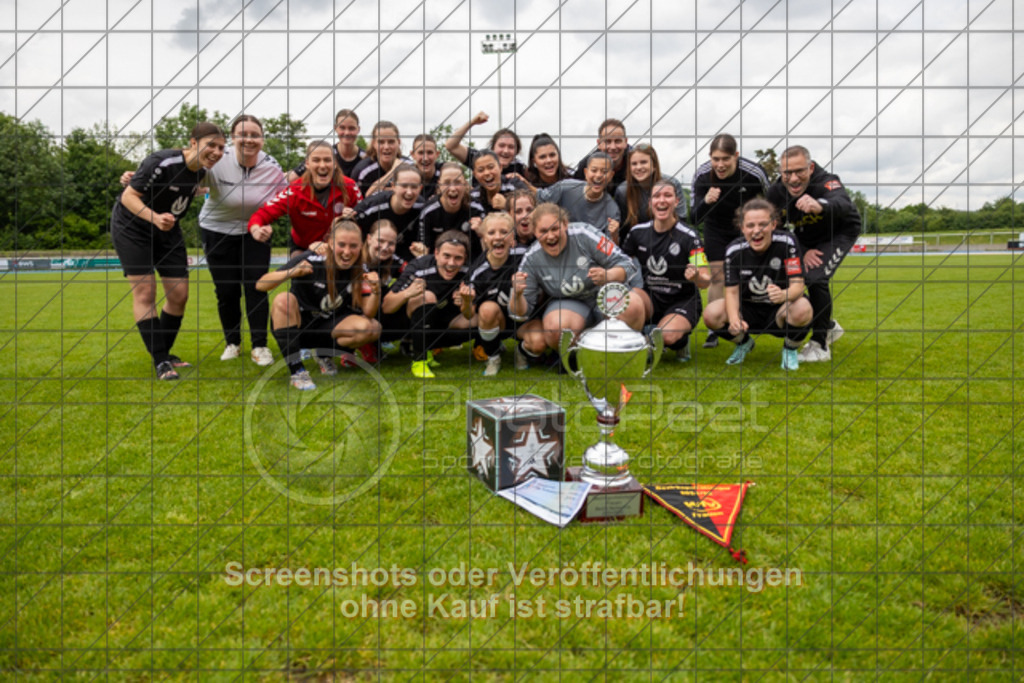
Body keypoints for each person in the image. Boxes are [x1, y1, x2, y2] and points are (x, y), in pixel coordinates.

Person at [110, 121, 226, 380]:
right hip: (133, 228)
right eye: (212, 145)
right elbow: (128, 196)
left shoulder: (202, 171)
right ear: (193, 143)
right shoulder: (162, 161)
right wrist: (154, 217)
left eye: (221, 147)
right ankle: (162, 361)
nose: (217, 152)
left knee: (179, 295)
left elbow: (189, 190)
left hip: (167, 229)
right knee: (145, 292)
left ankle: (163, 353)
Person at [195, 115, 287, 366]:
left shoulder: (272, 166)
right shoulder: (216, 161)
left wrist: (268, 223)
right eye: (243, 134)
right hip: (216, 231)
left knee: (256, 288)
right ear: (233, 138)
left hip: (254, 232)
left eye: (255, 134)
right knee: (227, 291)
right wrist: (137, 177)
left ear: (262, 139)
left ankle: (260, 346)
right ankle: (232, 343)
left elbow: (286, 199)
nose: (249, 139)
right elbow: (186, 177)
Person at [509, 203, 645, 364]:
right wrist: (517, 295)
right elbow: (519, 315)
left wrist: (608, 275)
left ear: (565, 224)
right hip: (570, 304)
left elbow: (628, 265)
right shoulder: (532, 258)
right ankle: (585, 356)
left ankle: (627, 352)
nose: (550, 236)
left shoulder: (585, 233)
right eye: (543, 231)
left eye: (555, 229)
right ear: (534, 232)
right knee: (555, 330)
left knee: (633, 306)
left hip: (603, 293)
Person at [256, 220, 381, 390]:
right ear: (330, 242)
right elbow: (261, 285)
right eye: (341, 245)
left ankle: (324, 354)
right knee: (282, 299)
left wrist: (376, 290)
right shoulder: (311, 259)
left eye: (353, 246)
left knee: (372, 328)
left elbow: (369, 313)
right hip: (298, 327)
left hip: (327, 327)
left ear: (361, 246)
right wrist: (292, 272)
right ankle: (297, 370)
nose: (347, 252)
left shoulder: (361, 269)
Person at [765, 145, 861, 362]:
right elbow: (776, 227)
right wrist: (804, 251)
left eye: (800, 171)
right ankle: (827, 325)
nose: (793, 178)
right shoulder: (776, 192)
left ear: (811, 167)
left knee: (816, 277)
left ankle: (820, 344)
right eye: (787, 173)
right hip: (805, 237)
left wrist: (820, 205)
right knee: (786, 275)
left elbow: (843, 202)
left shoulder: (826, 180)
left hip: (838, 232)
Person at [702, 198, 812, 370]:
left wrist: (783, 295)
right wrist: (733, 319)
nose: (757, 231)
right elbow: (731, 292)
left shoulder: (787, 243)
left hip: (779, 310)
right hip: (748, 310)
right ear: (742, 227)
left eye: (763, 224)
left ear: (774, 224)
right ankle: (744, 343)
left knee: (803, 308)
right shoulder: (733, 250)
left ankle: (790, 349)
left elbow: (798, 285)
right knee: (711, 313)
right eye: (750, 225)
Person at [690, 133, 769, 349]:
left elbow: (774, 203)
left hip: (744, 229)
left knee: (744, 275)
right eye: (716, 159)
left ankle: (744, 318)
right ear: (710, 157)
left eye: (726, 159)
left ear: (736, 155)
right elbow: (694, 217)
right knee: (718, 277)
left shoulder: (753, 174)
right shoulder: (703, 176)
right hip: (715, 229)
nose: (720, 164)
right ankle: (715, 329)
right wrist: (706, 201)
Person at [621, 181, 710, 361]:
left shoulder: (689, 237)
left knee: (668, 336)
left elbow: (706, 280)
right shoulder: (637, 233)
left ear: (676, 201)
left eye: (667, 196)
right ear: (650, 202)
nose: (662, 200)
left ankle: (678, 341)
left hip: (682, 300)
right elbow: (621, 264)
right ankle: (642, 338)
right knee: (626, 300)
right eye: (656, 196)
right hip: (650, 299)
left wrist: (696, 276)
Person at [382, 230, 474, 378]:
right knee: (427, 297)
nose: (451, 263)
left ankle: (486, 351)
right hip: (402, 322)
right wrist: (409, 293)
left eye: (458, 258)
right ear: (436, 253)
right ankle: (419, 360)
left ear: (465, 258)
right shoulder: (419, 267)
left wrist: (466, 301)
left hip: (440, 320)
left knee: (479, 317)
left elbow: (469, 314)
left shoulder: (469, 272)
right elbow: (387, 306)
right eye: (446, 256)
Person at [247, 139, 361, 256]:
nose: (322, 165)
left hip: (339, 249)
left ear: (335, 164)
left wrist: (354, 218)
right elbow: (263, 213)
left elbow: (366, 217)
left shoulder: (350, 187)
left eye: (327, 160)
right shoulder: (294, 191)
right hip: (303, 248)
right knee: (298, 264)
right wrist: (256, 229)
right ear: (307, 164)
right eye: (316, 160)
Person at [465, 213, 521, 376]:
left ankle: (523, 352)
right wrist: (465, 301)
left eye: (504, 232)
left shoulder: (525, 257)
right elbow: (469, 315)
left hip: (525, 318)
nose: (498, 237)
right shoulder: (477, 271)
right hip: (499, 320)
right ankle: (493, 357)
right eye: (491, 233)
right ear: (483, 238)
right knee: (487, 310)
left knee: (536, 343)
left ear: (512, 237)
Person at [614, 143, 687, 241]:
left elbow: (681, 219)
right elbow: (623, 230)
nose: (639, 167)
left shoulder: (672, 184)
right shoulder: (622, 191)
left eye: (644, 162)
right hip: (638, 243)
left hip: (669, 239)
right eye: (634, 164)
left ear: (654, 165)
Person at [353, 163, 425, 261]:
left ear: (420, 188)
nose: (409, 192)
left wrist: (422, 247)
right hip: (369, 258)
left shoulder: (422, 208)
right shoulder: (372, 206)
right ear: (393, 186)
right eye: (404, 186)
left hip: (402, 260)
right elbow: (344, 225)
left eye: (414, 187)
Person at [537, 152, 620, 238]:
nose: (598, 175)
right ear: (586, 173)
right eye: (594, 170)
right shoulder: (565, 187)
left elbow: (611, 249)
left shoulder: (612, 210)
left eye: (604, 172)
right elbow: (538, 197)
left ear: (611, 176)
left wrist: (614, 235)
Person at [416, 162, 485, 255]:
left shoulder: (476, 209)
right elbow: (424, 251)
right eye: (447, 183)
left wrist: (482, 234)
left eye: (457, 182)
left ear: (465, 184)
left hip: (469, 263)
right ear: (439, 185)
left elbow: (486, 251)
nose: (452, 188)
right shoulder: (428, 212)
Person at [287, 108, 367, 181]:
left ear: (358, 129)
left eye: (351, 128)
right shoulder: (325, 154)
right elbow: (291, 177)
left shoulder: (367, 158)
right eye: (342, 128)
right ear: (335, 128)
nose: (347, 133)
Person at [444, 111, 526, 180]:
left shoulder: (522, 169)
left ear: (516, 151)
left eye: (511, 147)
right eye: (501, 146)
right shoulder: (480, 159)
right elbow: (451, 146)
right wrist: (472, 122)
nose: (505, 151)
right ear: (492, 148)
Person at [572, 118, 631, 193]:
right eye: (607, 142)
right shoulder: (586, 164)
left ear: (625, 142)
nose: (613, 147)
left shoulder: (635, 163)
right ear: (599, 143)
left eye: (618, 141)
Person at [351, 121, 410, 197]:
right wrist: (393, 171)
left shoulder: (409, 165)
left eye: (391, 142)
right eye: (381, 142)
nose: (386, 147)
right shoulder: (362, 171)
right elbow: (363, 199)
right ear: (374, 144)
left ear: (398, 142)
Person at [469, 150, 528, 214]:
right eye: (481, 170)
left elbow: (532, 211)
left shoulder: (515, 185)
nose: (487, 173)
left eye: (491, 167)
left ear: (500, 167)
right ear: (475, 175)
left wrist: (507, 205)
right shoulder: (473, 196)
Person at [410, 133, 443, 199]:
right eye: (421, 153)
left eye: (430, 152)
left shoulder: (445, 171)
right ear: (413, 155)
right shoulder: (406, 175)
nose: (425, 158)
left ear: (437, 154)